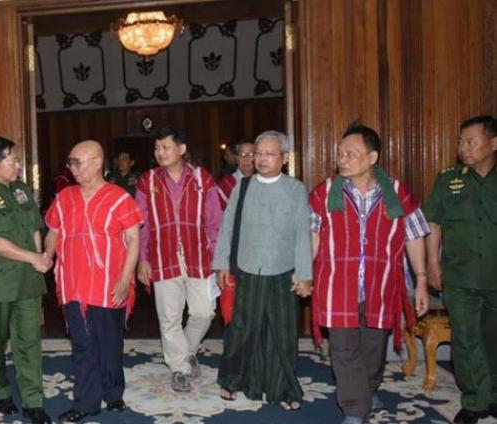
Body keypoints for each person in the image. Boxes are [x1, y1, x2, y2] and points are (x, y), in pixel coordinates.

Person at [310, 123, 430, 424]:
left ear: (373, 157)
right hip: (337, 284)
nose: (343, 159)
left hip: (382, 286)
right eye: (340, 153)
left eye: (351, 153)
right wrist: (304, 274)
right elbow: (310, 235)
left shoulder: (398, 193)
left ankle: (367, 388)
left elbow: (414, 236)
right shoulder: (324, 193)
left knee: (374, 350)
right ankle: (354, 409)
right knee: (343, 348)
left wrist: (422, 280)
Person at [213, 130, 313, 410]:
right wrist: (222, 264)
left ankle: (284, 389)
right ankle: (233, 381)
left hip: (283, 274)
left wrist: (305, 275)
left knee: (282, 333)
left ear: (284, 158)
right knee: (243, 330)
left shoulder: (295, 189)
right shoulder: (242, 188)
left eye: (269, 154)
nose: (261, 159)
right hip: (247, 270)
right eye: (258, 154)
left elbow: (302, 235)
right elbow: (227, 228)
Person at [44, 140, 142, 422]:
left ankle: (113, 394)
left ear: (98, 163)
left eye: (78, 162)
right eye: (70, 162)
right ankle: (86, 403)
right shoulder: (64, 197)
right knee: (83, 345)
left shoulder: (119, 197)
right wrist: (48, 254)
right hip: (73, 284)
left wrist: (126, 279)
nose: (73, 168)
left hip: (109, 285)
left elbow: (134, 239)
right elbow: (52, 229)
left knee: (110, 345)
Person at [0, 136, 52, 424]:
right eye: (12, 159)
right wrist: (33, 258)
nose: (18, 164)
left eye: (17, 159)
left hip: (28, 281)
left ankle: (33, 400)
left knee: (29, 341)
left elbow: (35, 226)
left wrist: (40, 256)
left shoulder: (22, 191)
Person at [135, 125, 222, 392]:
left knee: (204, 312)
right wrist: (142, 259)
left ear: (181, 149)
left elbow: (215, 222)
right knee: (169, 318)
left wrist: (219, 261)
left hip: (199, 258)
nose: (160, 153)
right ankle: (180, 369)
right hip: (162, 258)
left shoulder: (202, 179)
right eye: (157, 148)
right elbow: (141, 225)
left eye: (166, 147)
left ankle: (185, 352)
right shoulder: (147, 182)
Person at [423, 115, 497, 424]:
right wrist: (432, 263)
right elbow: (433, 221)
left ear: (493, 144)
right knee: (466, 339)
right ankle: (474, 402)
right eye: (460, 141)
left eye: (471, 141)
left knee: (493, 338)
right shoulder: (448, 178)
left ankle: (492, 394)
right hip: (460, 275)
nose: (463, 148)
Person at [216, 139, 255, 209]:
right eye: (242, 154)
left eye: (250, 154)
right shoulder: (226, 185)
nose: (246, 159)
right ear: (237, 158)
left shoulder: (264, 182)